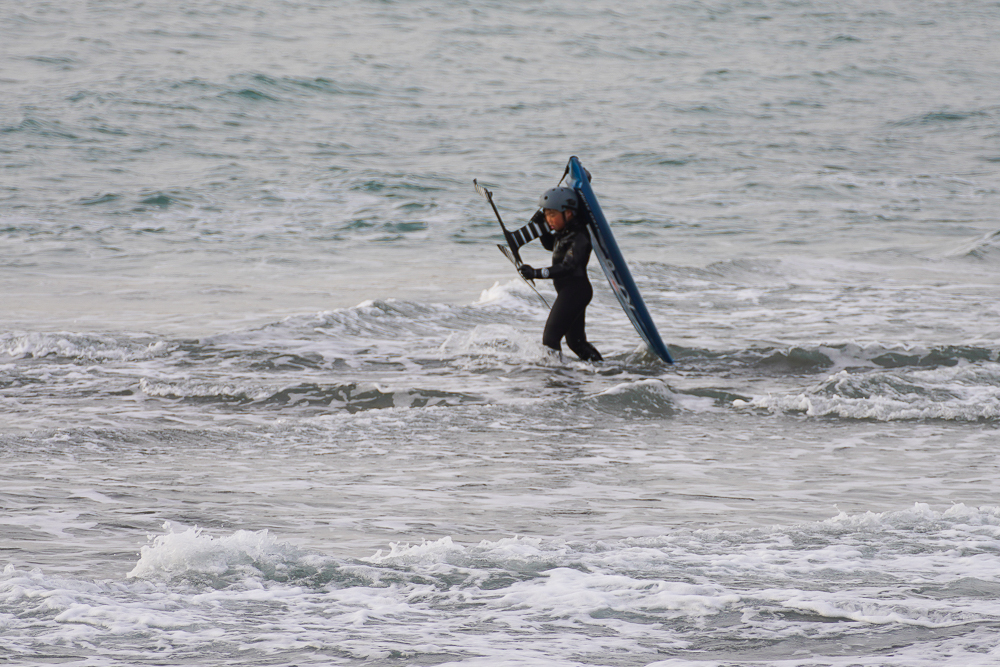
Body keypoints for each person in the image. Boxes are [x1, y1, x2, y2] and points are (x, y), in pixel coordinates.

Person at [509, 186, 603, 362]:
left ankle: (555, 376)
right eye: (546, 215)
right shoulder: (566, 233)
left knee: (550, 339)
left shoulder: (580, 237)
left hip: (575, 292)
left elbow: (568, 266)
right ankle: (603, 370)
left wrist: (536, 273)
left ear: (568, 213)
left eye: (552, 214)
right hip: (571, 292)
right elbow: (551, 245)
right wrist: (540, 228)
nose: (548, 219)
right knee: (576, 343)